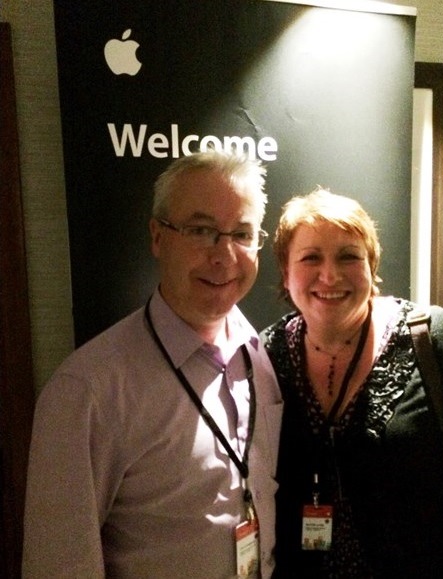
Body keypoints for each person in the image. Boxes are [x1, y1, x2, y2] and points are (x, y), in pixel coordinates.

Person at [23, 149, 283, 578]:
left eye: (241, 233)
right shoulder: (87, 390)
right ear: (158, 237)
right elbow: (60, 565)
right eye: (201, 230)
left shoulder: (260, 356)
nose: (224, 255)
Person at [261, 187, 443, 578]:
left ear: (372, 265)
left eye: (349, 256)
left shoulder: (435, 340)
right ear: (285, 271)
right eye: (311, 257)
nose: (330, 275)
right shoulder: (263, 358)